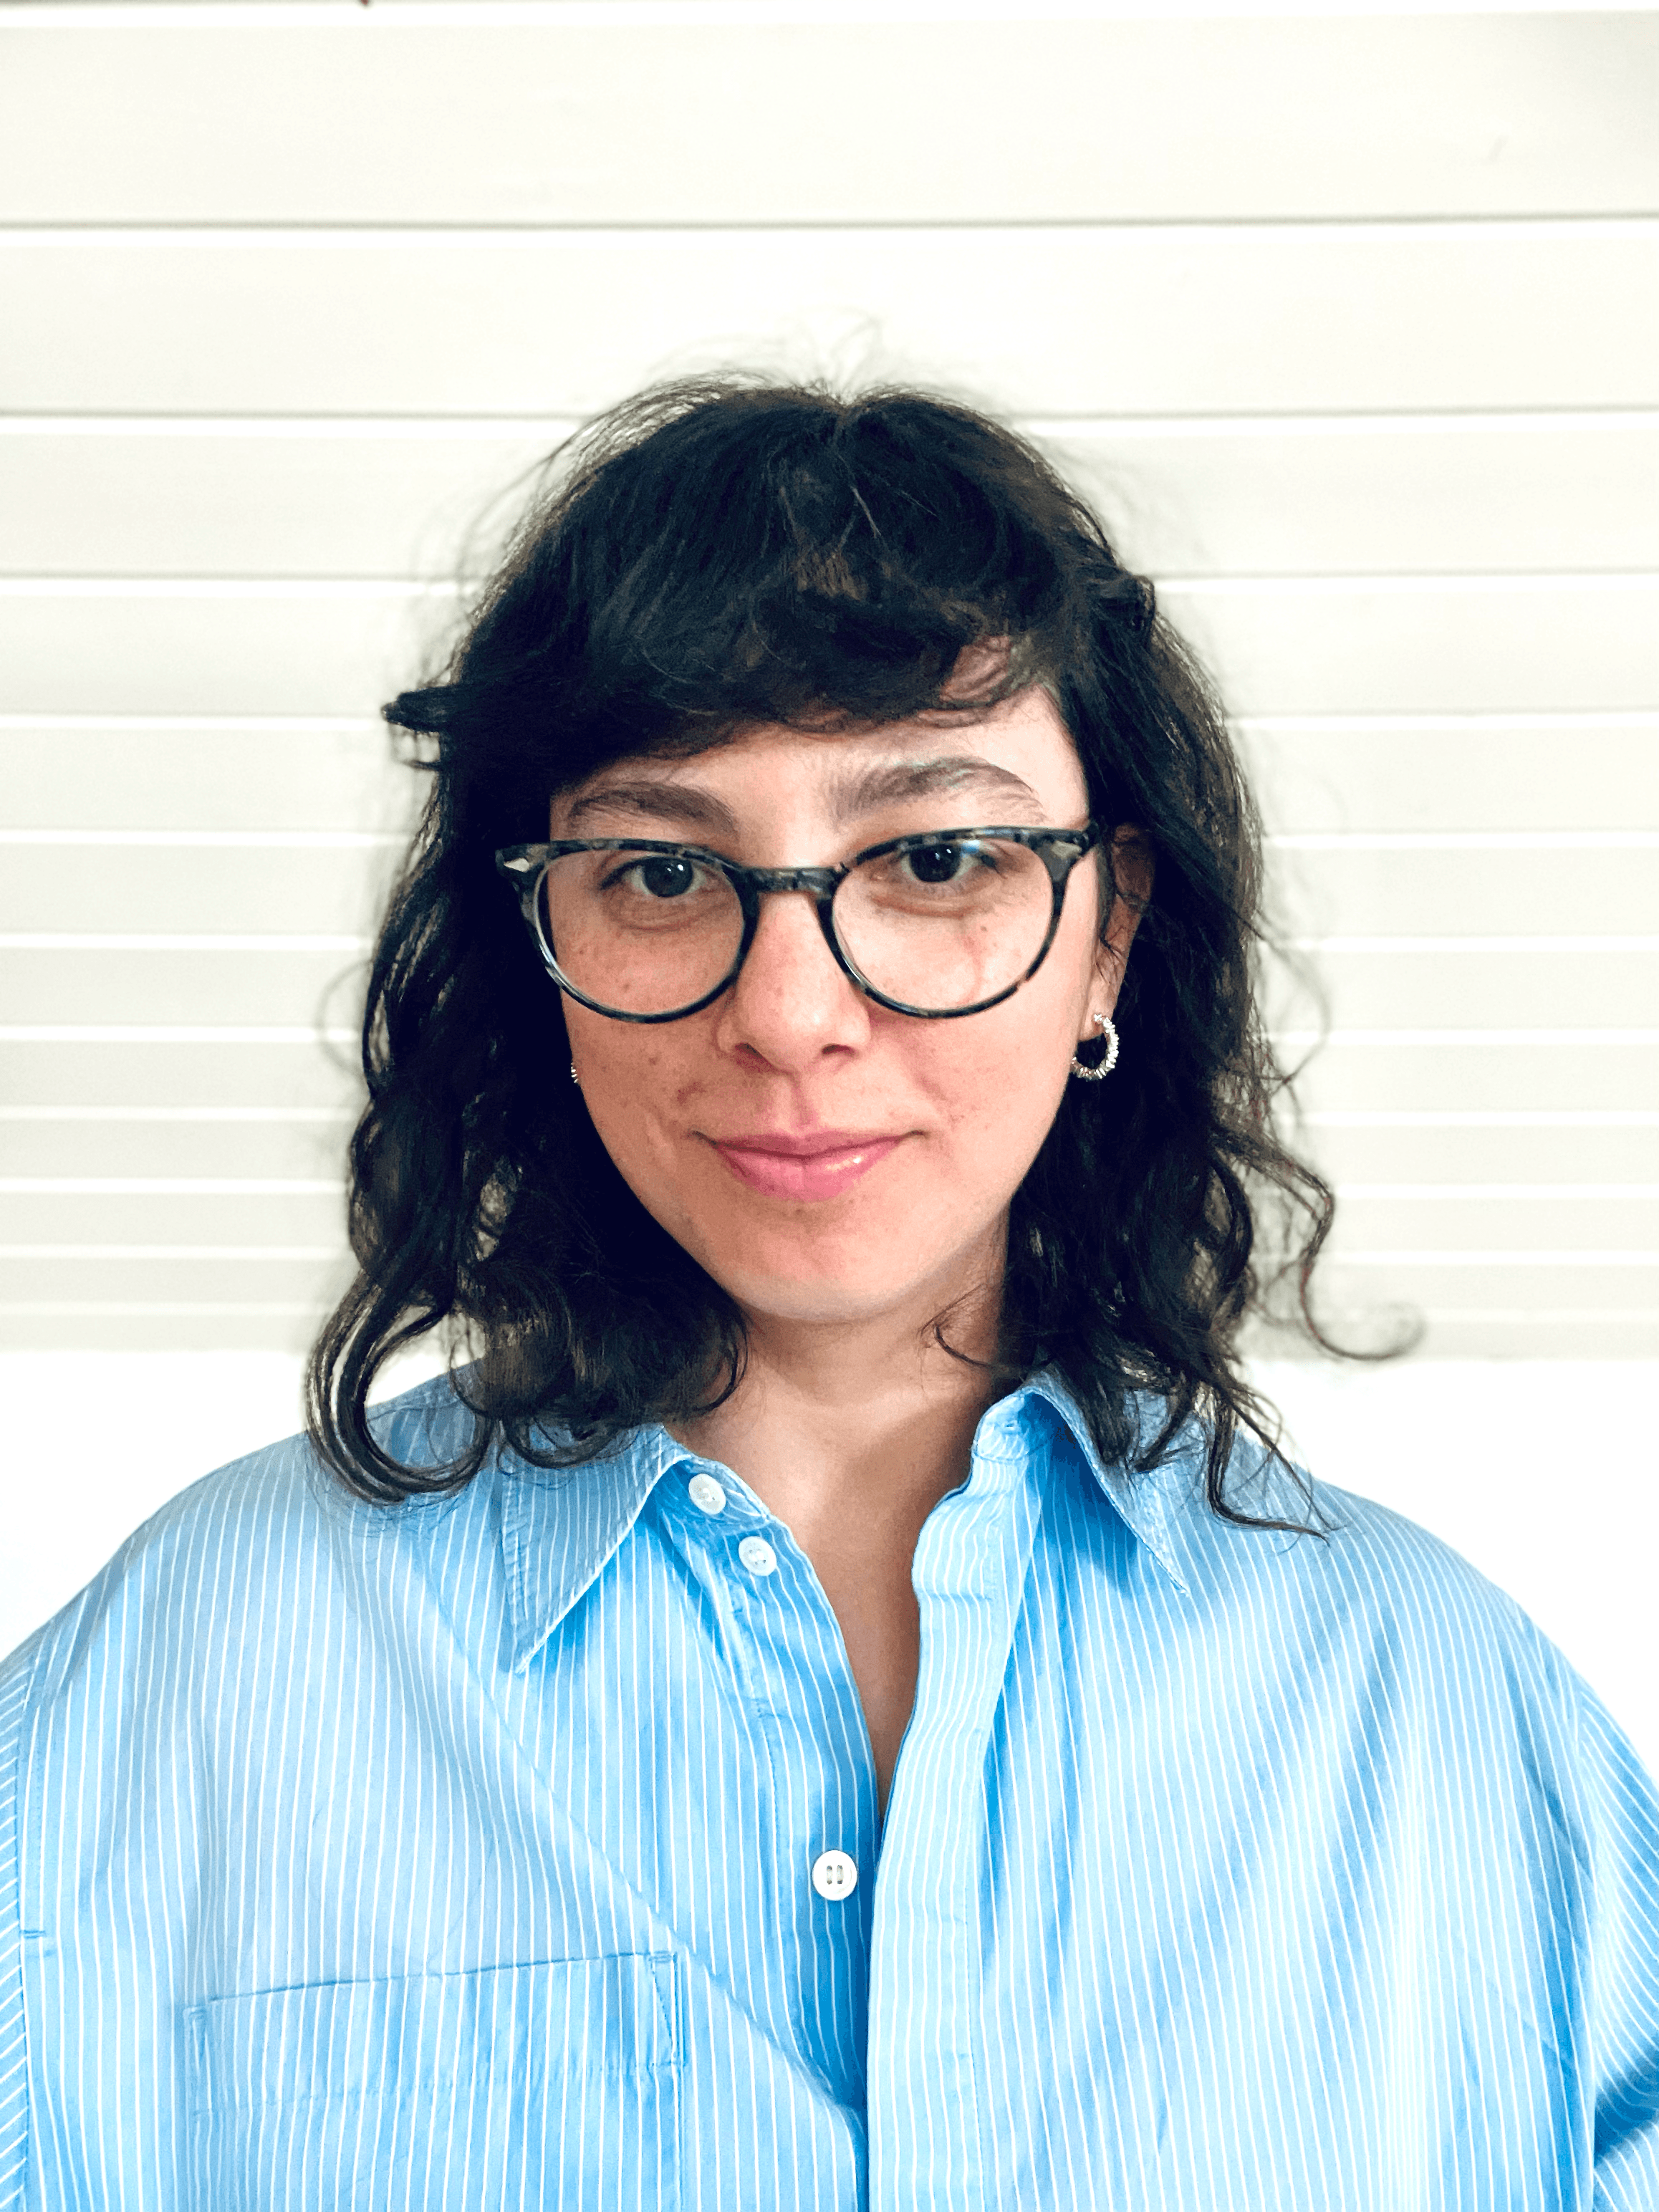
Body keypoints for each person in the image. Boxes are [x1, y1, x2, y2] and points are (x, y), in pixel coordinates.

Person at [1, 379, 1655, 2212]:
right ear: (540, 949)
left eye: (937, 858)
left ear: (1106, 928)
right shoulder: (182, 1669)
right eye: (659, 869)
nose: (788, 1008)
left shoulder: (1444, 1711)